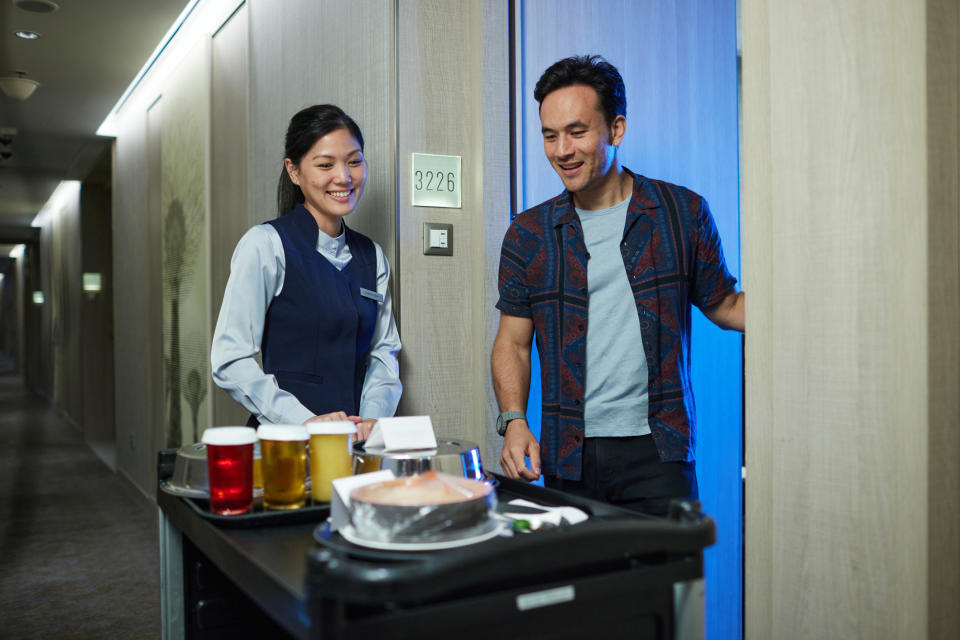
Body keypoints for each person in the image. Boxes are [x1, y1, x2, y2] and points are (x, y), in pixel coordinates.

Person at [492, 55, 744, 515]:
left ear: (616, 129)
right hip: (567, 455)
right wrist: (513, 421)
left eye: (577, 131)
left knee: (663, 584)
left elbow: (726, 304)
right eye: (550, 136)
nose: (562, 150)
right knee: (580, 586)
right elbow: (512, 343)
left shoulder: (681, 213)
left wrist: (803, 310)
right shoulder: (528, 235)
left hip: (659, 452)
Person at [211, 104, 401, 440]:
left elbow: (383, 352)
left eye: (354, 161)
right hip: (286, 444)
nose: (343, 176)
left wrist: (373, 420)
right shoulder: (265, 245)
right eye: (325, 165)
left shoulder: (372, 256)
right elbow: (230, 359)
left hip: (357, 447)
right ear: (294, 171)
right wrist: (301, 420)